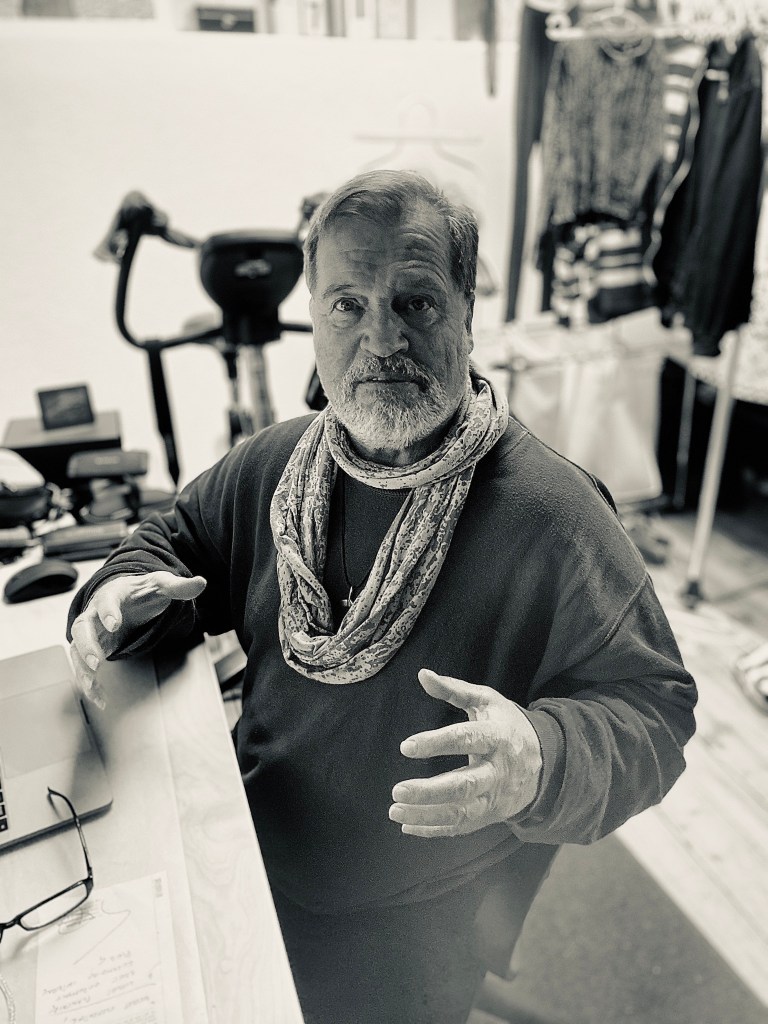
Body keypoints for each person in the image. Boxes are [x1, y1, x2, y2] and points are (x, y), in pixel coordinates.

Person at [67, 169, 697, 1024]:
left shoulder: (555, 515)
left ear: (467, 315)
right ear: (316, 318)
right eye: (348, 306)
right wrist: (122, 596)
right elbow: (170, 542)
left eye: (416, 302)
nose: (382, 338)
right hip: (249, 848)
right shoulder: (273, 465)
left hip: (415, 920)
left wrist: (541, 756)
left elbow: (656, 711)